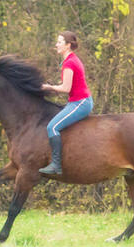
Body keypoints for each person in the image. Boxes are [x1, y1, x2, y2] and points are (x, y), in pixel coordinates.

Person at [38, 31, 93, 176]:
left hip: (81, 103)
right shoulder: (71, 59)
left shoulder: (69, 63)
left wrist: (48, 87)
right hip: (76, 101)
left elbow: (65, 88)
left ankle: (56, 164)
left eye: (59, 42)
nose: (56, 45)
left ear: (68, 45)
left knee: (52, 127)